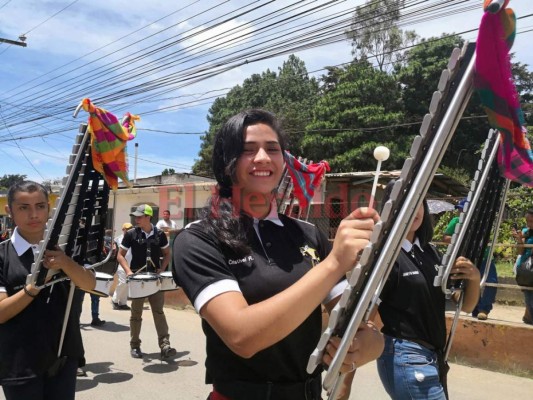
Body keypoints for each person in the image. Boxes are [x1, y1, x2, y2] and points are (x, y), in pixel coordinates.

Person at [172, 109, 384, 400]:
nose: (262, 158)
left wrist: (368, 344)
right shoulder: (199, 238)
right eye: (247, 150)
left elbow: (360, 320)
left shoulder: (308, 234)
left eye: (272, 149)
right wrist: (334, 263)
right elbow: (242, 336)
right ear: (226, 162)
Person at [376, 182, 480, 400]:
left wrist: (473, 278)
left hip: (434, 356)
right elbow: (368, 315)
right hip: (406, 355)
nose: (415, 209)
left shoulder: (430, 252)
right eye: (406, 201)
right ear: (390, 208)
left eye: (419, 200)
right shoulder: (383, 256)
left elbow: (464, 304)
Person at [0, 181, 96, 400]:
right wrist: (35, 287)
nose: (34, 214)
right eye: (24, 207)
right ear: (9, 210)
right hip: (18, 362)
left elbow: (90, 284)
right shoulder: (3, 255)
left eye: (40, 206)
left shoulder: (69, 248)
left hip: (63, 356)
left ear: (49, 208)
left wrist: (66, 263)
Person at [117, 204, 177, 359]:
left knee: (158, 312)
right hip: (137, 280)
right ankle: (135, 345)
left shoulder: (160, 235)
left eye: (139, 216)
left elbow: (167, 254)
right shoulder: (131, 234)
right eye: (135, 216)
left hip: (155, 280)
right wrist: (129, 272)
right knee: (136, 313)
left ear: (148, 217)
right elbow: (120, 255)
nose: (136, 219)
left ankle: (165, 345)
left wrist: (162, 268)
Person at [443, 199, 498, 321]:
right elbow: (446, 237)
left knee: (491, 282)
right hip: (468, 258)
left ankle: (484, 309)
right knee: (468, 284)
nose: (460, 211)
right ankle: (475, 308)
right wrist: (462, 238)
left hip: (484, 256)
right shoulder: (456, 221)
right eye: (460, 209)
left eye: (462, 209)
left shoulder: (481, 221)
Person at [511, 208, 533, 325]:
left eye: (531, 221)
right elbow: (520, 251)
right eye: (527, 221)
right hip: (526, 269)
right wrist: (520, 239)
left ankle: (529, 317)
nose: (529, 224)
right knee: (528, 296)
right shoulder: (526, 231)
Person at [111, 222, 133, 310]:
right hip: (121, 264)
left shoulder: (133, 237)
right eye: (127, 229)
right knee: (122, 282)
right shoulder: (119, 238)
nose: (129, 230)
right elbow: (113, 243)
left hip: (131, 264)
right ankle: (114, 300)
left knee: (127, 284)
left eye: (130, 228)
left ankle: (123, 303)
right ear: (123, 230)